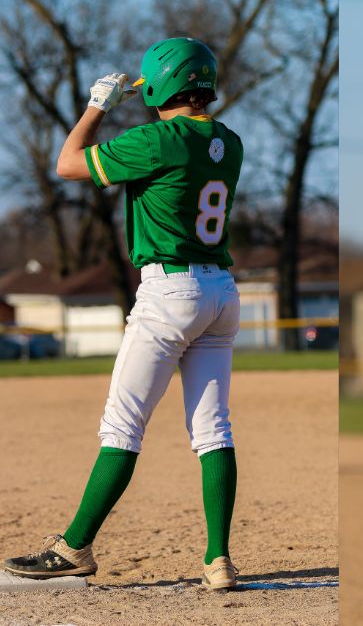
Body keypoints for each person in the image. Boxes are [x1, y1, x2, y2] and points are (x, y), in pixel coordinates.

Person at [2, 38, 244, 590]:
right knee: (213, 430)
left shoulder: (158, 138)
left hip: (169, 293)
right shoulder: (229, 142)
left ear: (159, 84)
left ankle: (74, 547)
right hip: (222, 292)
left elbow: (67, 164)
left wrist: (97, 106)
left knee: (122, 426)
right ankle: (219, 560)